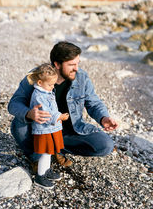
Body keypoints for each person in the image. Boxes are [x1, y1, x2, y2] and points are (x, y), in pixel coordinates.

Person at [8, 41, 118, 172]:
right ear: (57, 64)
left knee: (105, 145)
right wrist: (29, 113)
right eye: (71, 65)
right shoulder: (36, 77)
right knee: (18, 124)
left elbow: (93, 102)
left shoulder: (82, 77)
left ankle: (56, 149)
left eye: (77, 63)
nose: (76, 68)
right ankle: (36, 157)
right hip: (41, 130)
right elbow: (14, 104)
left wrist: (103, 118)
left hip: (70, 131)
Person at [26, 63, 69, 189]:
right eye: (50, 85)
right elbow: (45, 114)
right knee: (45, 152)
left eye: (53, 85)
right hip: (43, 129)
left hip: (51, 128)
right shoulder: (38, 95)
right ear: (40, 82)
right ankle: (40, 176)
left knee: (49, 151)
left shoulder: (46, 92)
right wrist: (59, 117)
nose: (52, 87)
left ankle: (47, 170)